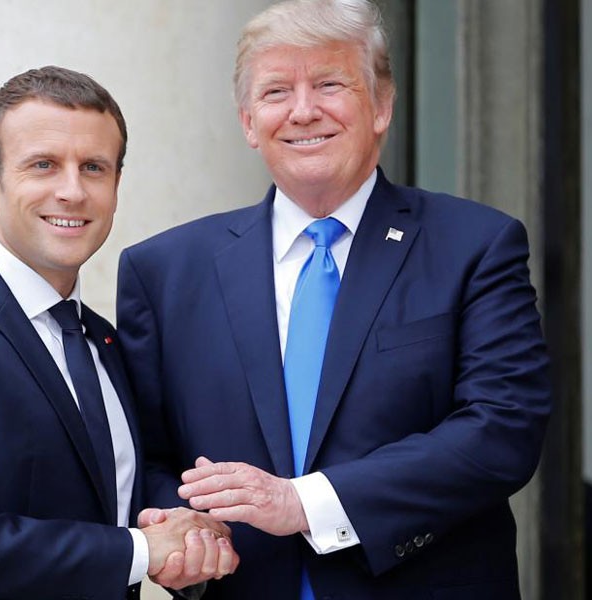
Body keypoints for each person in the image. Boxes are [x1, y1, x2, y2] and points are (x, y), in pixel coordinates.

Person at [116, 1, 551, 598]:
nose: (303, 110)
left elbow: (503, 429)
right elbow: (144, 457)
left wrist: (304, 503)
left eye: (329, 84)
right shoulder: (164, 271)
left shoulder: (474, 245)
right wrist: (183, 537)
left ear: (382, 105)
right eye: (276, 91)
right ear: (248, 122)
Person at [0, 66, 237, 600]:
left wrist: (190, 535)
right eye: (43, 165)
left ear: (116, 186)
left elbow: (111, 495)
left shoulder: (103, 340)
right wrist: (142, 550)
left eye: (94, 167)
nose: (72, 191)